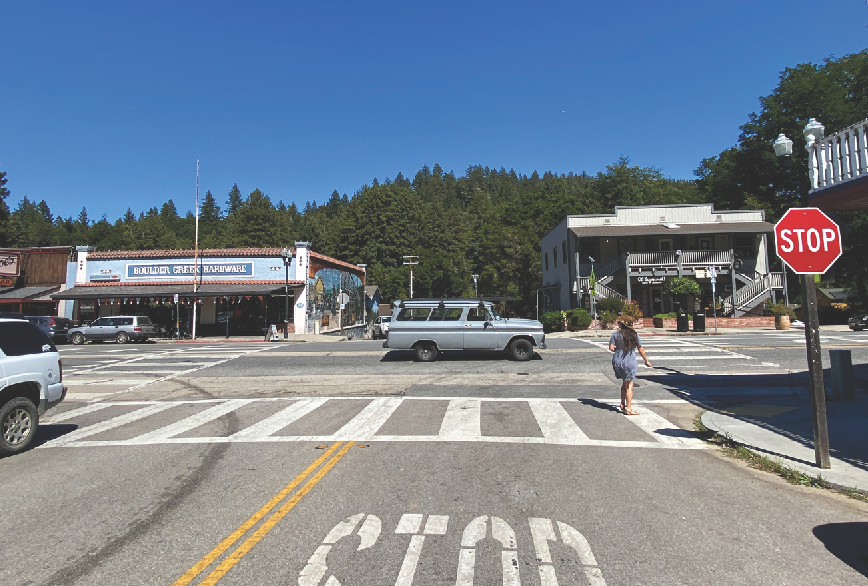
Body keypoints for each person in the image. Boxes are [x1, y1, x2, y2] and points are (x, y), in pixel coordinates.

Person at [608, 314, 652, 415]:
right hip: (629, 361)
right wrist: (646, 361)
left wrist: (618, 350)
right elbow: (640, 349)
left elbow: (611, 348)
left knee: (624, 382)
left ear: (622, 324)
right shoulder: (634, 335)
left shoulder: (615, 334)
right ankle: (628, 408)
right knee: (629, 386)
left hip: (617, 361)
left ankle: (622, 403)